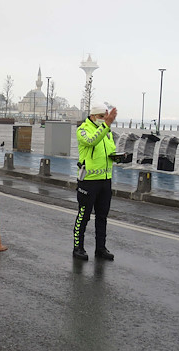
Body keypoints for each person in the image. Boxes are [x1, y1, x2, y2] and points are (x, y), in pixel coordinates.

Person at [72, 103, 118, 261]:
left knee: (102, 216)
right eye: (101, 117)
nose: (104, 119)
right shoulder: (83, 130)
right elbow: (92, 141)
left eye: (105, 117)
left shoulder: (107, 131)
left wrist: (117, 156)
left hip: (105, 180)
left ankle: (100, 248)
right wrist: (106, 125)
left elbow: (109, 149)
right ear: (92, 116)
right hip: (89, 181)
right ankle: (78, 247)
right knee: (83, 215)